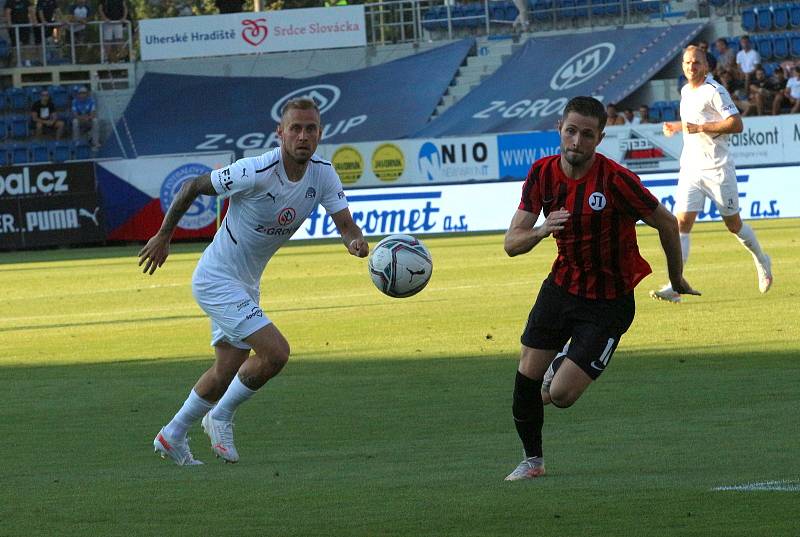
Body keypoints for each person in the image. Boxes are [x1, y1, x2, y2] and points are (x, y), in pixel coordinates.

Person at [140, 98, 369, 466]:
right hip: (216, 279)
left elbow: (346, 225)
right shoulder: (255, 170)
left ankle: (172, 435)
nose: (303, 136)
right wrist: (164, 236)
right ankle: (220, 417)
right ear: (280, 133)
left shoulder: (323, 174)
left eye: (311, 129)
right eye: (295, 128)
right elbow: (192, 186)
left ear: (320, 134)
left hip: (245, 283)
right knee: (276, 352)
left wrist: (354, 242)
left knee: (226, 370)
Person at [502, 96, 698, 481]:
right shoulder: (542, 174)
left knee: (560, 396)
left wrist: (676, 279)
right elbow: (512, 243)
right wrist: (542, 230)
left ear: (599, 139)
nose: (576, 141)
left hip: (608, 302)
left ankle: (560, 368)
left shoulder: (616, 180)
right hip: (562, 287)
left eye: (586, 135)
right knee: (526, 374)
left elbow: (667, 223)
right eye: (571, 131)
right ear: (560, 128)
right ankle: (532, 462)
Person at [651, 46, 772, 304]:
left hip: (718, 169)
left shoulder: (714, 91)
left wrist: (702, 127)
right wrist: (677, 126)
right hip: (691, 169)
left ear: (706, 66)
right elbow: (691, 123)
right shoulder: (685, 90)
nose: (690, 67)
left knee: (733, 225)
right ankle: (675, 286)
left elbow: (736, 124)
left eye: (696, 63)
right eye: (686, 62)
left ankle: (762, 259)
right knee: (680, 224)